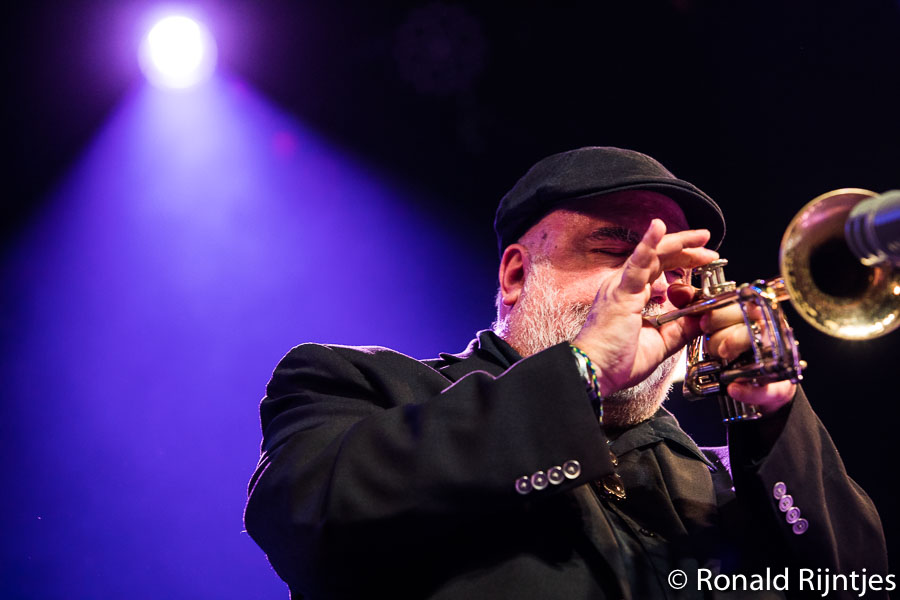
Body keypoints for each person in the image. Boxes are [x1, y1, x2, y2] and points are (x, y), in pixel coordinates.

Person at [244, 147, 889, 599]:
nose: (657, 287)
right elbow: (303, 520)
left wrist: (771, 416)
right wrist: (584, 367)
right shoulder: (361, 386)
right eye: (617, 251)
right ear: (517, 274)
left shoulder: (724, 481)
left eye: (678, 270)